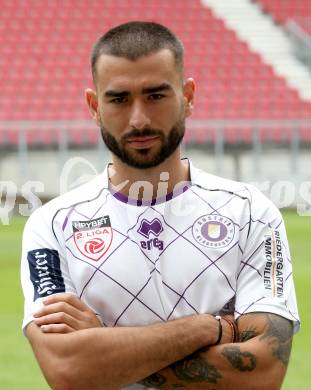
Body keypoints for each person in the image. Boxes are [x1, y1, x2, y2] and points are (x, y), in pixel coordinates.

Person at [21, 21, 299, 390]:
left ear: (188, 96)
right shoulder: (52, 225)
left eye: (156, 96)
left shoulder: (251, 214)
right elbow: (68, 371)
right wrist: (211, 328)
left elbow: (263, 373)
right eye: (119, 99)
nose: (139, 119)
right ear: (94, 106)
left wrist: (105, 346)